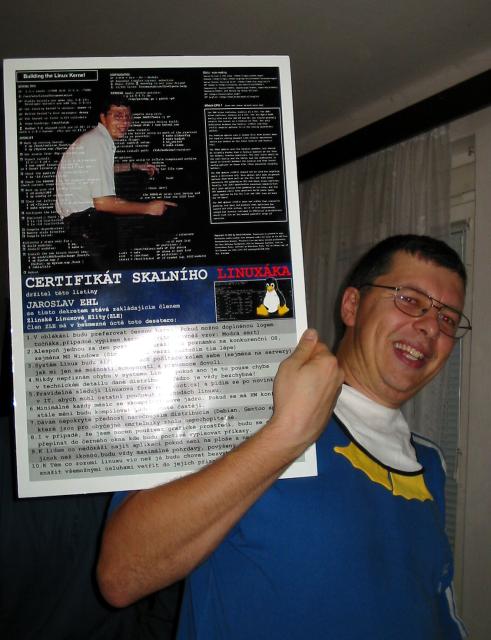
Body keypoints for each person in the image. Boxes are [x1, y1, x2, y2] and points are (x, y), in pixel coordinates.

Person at [97, 235, 470, 639]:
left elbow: (437, 610)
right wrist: (287, 435)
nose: (431, 326)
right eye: (410, 300)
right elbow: (122, 574)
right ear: (351, 306)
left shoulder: (430, 463)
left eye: (448, 319)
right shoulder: (248, 410)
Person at [55, 95, 176, 266]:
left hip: (78, 218)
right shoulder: (98, 143)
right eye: (117, 116)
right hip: (86, 222)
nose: (124, 122)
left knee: (138, 177)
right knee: (170, 216)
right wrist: (149, 208)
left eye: (128, 117)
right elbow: (103, 204)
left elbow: (100, 169)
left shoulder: (95, 138)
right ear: (103, 117)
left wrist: (133, 166)